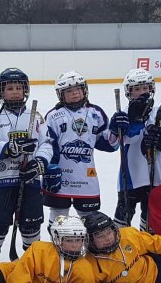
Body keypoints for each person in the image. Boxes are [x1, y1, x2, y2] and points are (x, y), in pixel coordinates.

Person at [0, 67, 52, 263]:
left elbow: (45, 144)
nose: (14, 91)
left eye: (18, 88)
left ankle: (32, 264)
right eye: (9, 88)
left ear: (25, 90)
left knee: (30, 225)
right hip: (1, 181)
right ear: (1, 92)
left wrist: (38, 163)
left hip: (30, 182)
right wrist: (12, 147)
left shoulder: (35, 116)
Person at [42, 70, 118, 225]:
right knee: (58, 216)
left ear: (84, 89)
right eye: (69, 91)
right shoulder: (54, 115)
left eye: (77, 89)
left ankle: (91, 248)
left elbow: (108, 144)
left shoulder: (95, 113)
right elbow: (48, 145)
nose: (75, 93)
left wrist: (117, 131)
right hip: (60, 177)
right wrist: (50, 168)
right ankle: (58, 247)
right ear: (60, 94)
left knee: (90, 218)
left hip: (86, 178)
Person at [107, 68, 161, 230]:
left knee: (151, 218)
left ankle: (148, 245)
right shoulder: (123, 113)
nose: (142, 92)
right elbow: (114, 143)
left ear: (151, 89)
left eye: (145, 88)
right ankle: (119, 246)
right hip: (129, 177)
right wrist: (117, 128)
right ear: (129, 92)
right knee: (123, 218)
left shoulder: (160, 114)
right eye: (137, 89)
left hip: (156, 176)